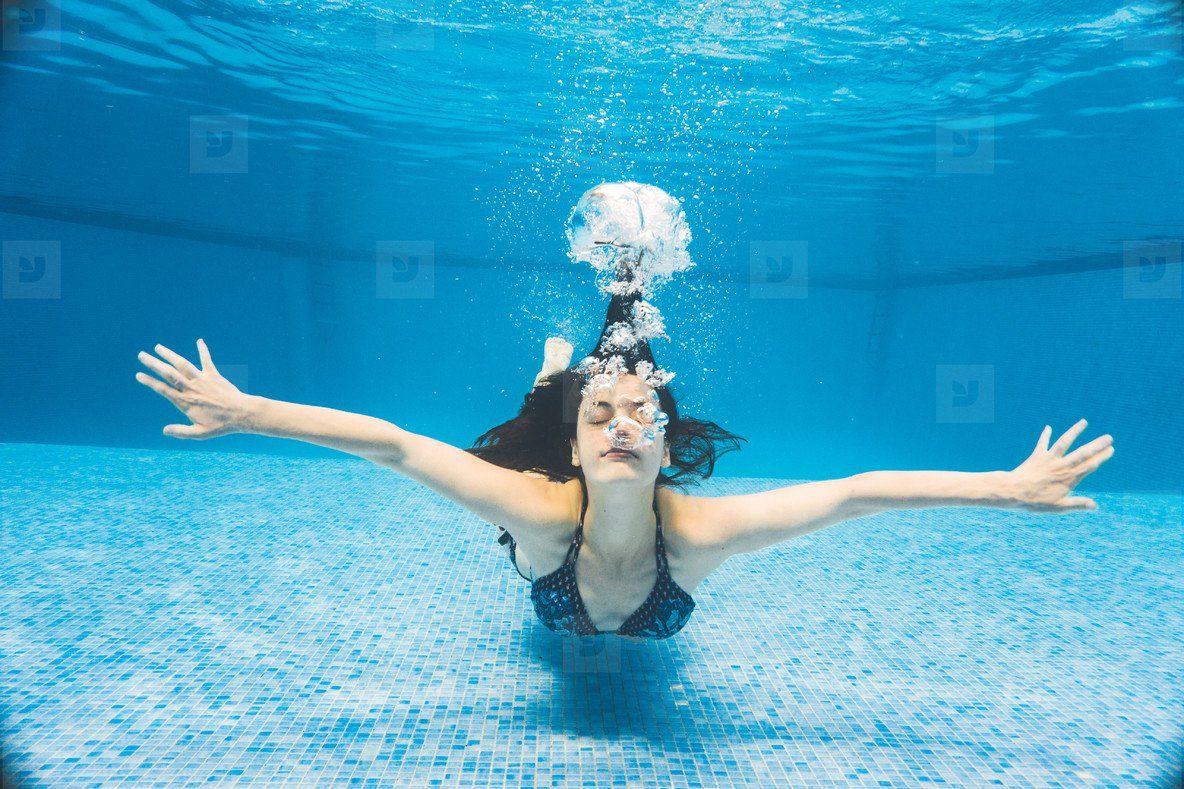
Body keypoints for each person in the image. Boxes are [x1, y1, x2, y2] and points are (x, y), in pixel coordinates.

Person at [134, 290, 1115, 641]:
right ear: (581, 448)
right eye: (598, 417)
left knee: (579, 384)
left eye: (635, 417)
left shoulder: (695, 528)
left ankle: (574, 362)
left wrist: (1004, 487)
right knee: (538, 410)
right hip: (543, 520)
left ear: (659, 449)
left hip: (621, 579)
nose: (616, 426)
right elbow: (393, 444)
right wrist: (247, 410)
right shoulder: (540, 506)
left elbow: (853, 494)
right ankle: (555, 375)